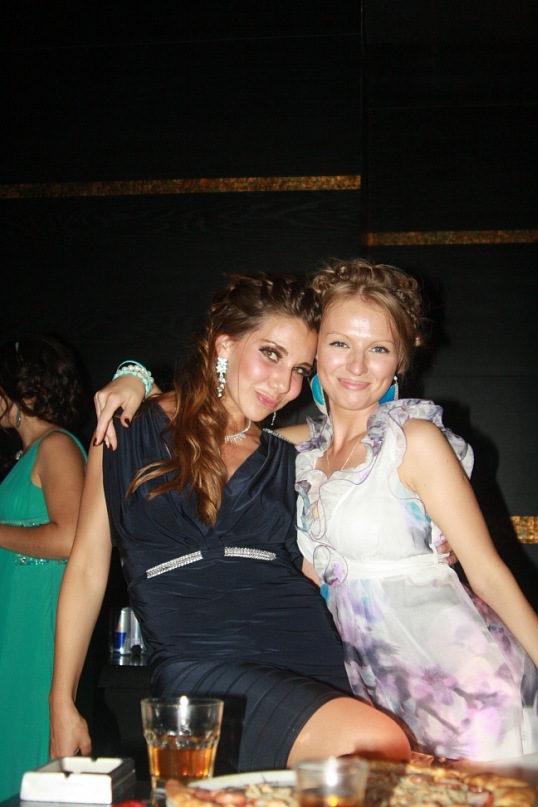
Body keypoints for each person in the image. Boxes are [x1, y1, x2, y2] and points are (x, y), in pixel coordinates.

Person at [95, 260, 538, 762]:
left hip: (457, 678)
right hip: (370, 683)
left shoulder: (414, 441)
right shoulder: (299, 455)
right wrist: (136, 377)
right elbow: (212, 429)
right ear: (318, 350)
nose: (357, 365)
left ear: (400, 362)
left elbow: (489, 574)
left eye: (379, 349)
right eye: (340, 343)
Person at [49, 274, 411, 774]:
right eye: (271, 354)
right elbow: (88, 567)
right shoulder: (127, 427)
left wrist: (426, 542)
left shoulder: (288, 456)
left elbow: (335, 539)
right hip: (193, 662)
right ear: (224, 344)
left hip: (304, 649)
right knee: (374, 741)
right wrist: (61, 698)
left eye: (300, 369)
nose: (284, 385)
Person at [0, 334, 87, 801]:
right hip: (15, 630)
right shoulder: (29, 454)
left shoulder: (57, 446)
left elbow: (71, 539)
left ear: (23, 391)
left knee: (26, 765)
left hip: (34, 636)